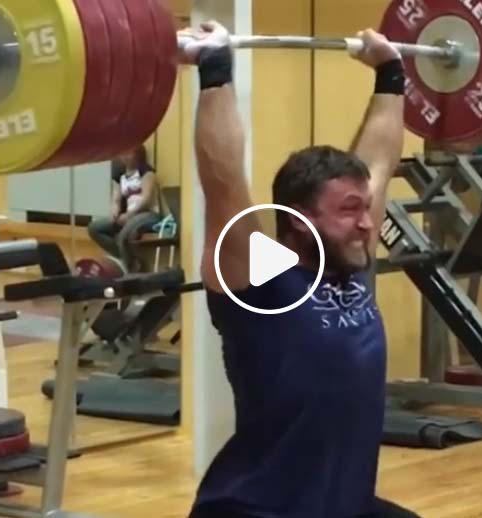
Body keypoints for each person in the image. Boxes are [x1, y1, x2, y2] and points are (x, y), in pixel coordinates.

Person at [179, 20, 420, 518]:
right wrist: (216, 72)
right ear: (299, 221)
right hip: (255, 509)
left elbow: (379, 157)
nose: (368, 224)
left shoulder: (351, 265)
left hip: (343, 507)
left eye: (366, 208)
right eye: (350, 210)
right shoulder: (259, 278)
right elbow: (222, 178)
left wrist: (391, 74)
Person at [87, 145, 162, 270]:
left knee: (124, 234)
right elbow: (116, 199)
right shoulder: (120, 175)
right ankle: (129, 259)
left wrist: (129, 215)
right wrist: (114, 211)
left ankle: (130, 269)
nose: (125, 157)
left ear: (138, 154)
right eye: (123, 153)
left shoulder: (146, 171)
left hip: (147, 214)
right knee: (94, 228)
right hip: (128, 215)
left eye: (129, 153)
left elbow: (147, 200)